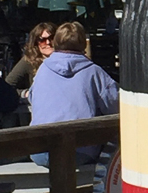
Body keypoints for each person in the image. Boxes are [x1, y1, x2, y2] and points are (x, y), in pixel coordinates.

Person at [29, 21, 118, 164]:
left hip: (39, 150)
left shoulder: (42, 69)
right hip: (79, 151)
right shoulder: (94, 72)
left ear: (56, 42)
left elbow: (32, 98)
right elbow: (115, 107)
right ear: (83, 43)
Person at [6, 23, 57, 91]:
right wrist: (25, 93)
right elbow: (7, 85)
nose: (48, 42)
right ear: (35, 43)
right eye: (42, 40)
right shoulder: (29, 61)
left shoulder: (66, 59)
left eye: (51, 38)